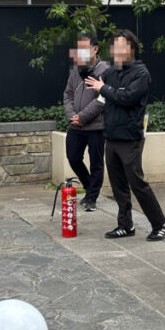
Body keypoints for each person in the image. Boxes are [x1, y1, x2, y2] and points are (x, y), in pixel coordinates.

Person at [85, 30, 165, 240]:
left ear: (132, 48)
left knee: (137, 183)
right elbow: (98, 84)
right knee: (118, 185)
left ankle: (160, 222)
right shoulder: (111, 72)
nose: (118, 51)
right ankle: (125, 225)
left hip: (130, 137)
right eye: (115, 46)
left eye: (122, 46)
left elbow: (127, 98)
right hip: (111, 136)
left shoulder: (141, 73)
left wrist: (104, 88)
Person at [63, 33, 109, 211]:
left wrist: (83, 116)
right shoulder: (76, 70)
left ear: (95, 49)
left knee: (96, 162)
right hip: (75, 125)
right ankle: (90, 187)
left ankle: (92, 198)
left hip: (96, 126)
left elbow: (103, 99)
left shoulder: (105, 70)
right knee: (73, 157)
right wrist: (72, 115)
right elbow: (67, 94)